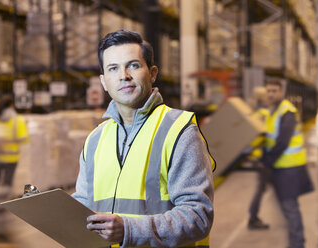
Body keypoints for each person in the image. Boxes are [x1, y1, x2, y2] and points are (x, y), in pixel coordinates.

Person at [72, 30, 215, 247]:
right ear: (103, 81)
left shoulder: (179, 131)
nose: (124, 76)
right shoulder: (95, 140)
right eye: (113, 68)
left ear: (153, 73)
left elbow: (198, 217)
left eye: (133, 65)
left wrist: (128, 229)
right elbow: (84, 207)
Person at [248, 79, 313, 248]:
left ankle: (298, 244)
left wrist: (266, 160)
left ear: (281, 92)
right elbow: (269, 139)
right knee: (286, 207)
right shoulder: (272, 112)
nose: (271, 94)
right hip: (279, 167)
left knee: (291, 208)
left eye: (274, 91)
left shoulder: (287, 112)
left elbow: (283, 142)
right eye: (268, 91)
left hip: (289, 168)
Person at [0, 94, 29, 186]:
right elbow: (24, 139)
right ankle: (4, 199)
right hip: (11, 157)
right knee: (7, 183)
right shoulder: (18, 120)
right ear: (11, 105)